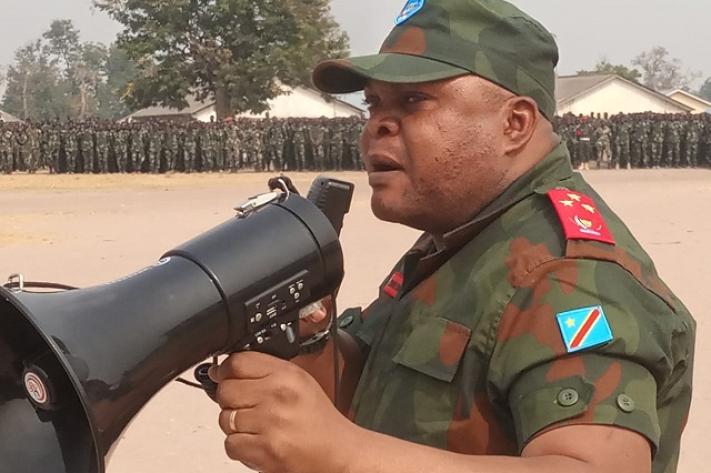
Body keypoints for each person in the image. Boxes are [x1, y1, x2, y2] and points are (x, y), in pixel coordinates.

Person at [209, 2, 695, 473]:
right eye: (374, 103)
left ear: (514, 124)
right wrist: (306, 336)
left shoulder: (570, 275)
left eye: (414, 101)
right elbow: (374, 380)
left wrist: (344, 456)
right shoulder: (465, 235)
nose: (377, 124)